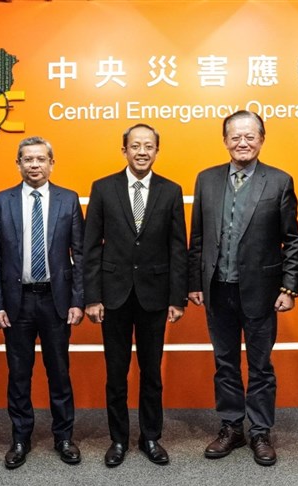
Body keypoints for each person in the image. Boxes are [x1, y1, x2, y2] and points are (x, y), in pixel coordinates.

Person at [188, 110, 298, 467]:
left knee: (260, 366)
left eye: (250, 136)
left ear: (261, 139)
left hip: (261, 291)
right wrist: (194, 283)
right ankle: (231, 426)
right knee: (224, 363)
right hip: (217, 289)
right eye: (235, 137)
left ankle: (260, 432)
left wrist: (289, 288)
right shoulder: (206, 180)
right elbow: (198, 238)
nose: (242, 143)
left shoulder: (279, 181)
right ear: (225, 140)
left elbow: (292, 240)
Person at [83, 123, 188, 467]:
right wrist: (92, 297)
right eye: (135, 146)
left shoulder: (171, 191)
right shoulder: (103, 188)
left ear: (157, 150)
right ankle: (118, 439)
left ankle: (151, 437)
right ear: (124, 150)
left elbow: (178, 248)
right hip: (113, 296)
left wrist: (177, 299)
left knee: (151, 372)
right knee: (116, 373)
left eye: (148, 146)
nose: (142, 152)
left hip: (154, 296)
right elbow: (91, 247)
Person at [0, 136, 85, 469]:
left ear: (51, 163)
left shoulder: (69, 199)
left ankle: (64, 437)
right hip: (17, 302)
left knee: (60, 373)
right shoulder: (1, 202)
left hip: (57, 301)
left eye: (41, 159)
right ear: (18, 164)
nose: (35, 165)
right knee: (18, 375)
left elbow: (80, 254)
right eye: (28, 159)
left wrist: (78, 300)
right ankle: (20, 438)